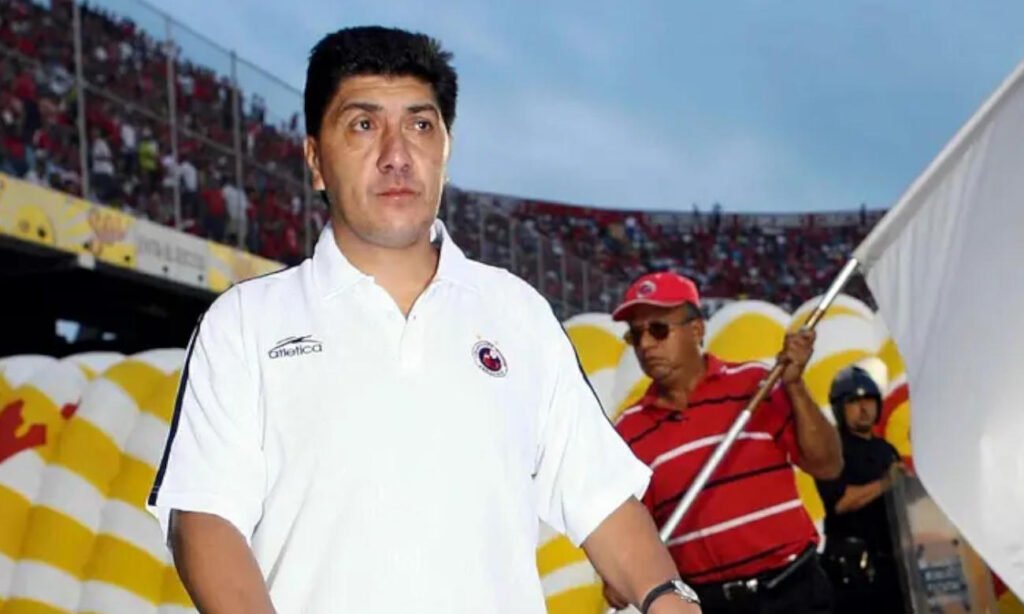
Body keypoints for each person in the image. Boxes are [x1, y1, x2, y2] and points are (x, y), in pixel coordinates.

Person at [147, 26, 701, 614]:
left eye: (419, 125)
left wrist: (669, 596)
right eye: (364, 125)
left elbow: (602, 499)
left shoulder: (518, 312)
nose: (396, 154)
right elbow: (204, 519)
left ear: (445, 150)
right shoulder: (244, 322)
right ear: (315, 160)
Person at [606, 271, 843, 613]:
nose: (645, 345)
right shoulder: (629, 430)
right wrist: (618, 570)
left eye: (658, 329)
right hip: (709, 604)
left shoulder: (756, 384)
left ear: (696, 330)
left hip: (793, 592)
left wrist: (794, 386)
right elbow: (633, 527)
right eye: (635, 334)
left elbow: (828, 465)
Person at [815, 366, 907, 614]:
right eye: (854, 402)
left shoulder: (886, 450)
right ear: (839, 408)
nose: (864, 408)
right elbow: (841, 502)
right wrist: (886, 483)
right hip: (852, 573)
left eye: (869, 400)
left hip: (893, 566)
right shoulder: (831, 450)